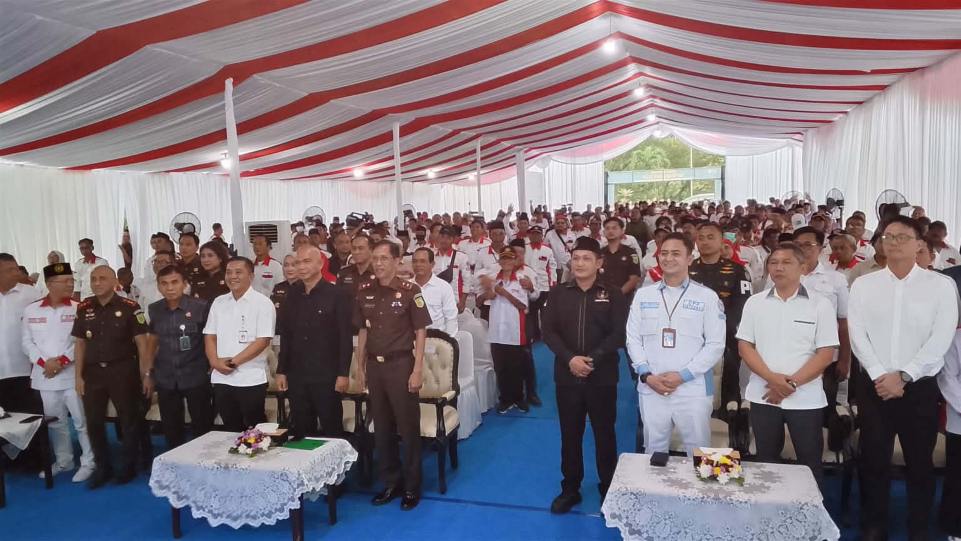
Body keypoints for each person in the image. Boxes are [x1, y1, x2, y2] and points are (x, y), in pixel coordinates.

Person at [848, 216, 958, 541]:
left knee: (919, 462)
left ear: (919, 244)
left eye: (902, 237)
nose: (894, 242)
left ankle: (918, 528)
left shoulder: (940, 285)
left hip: (919, 386)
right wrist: (882, 375)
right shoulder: (864, 285)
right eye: (888, 236)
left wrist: (906, 375)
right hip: (875, 385)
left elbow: (941, 338)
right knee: (874, 459)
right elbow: (857, 335)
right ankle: (874, 525)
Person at [737, 242, 838, 487]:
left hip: (805, 398)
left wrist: (791, 383)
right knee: (766, 461)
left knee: (809, 463)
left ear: (803, 267)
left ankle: (810, 518)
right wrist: (774, 380)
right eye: (774, 262)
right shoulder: (755, 303)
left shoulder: (820, 304)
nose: (778, 268)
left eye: (786, 262)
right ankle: (769, 514)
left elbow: (826, 353)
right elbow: (745, 347)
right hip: (765, 395)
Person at [542, 237, 627, 514]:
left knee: (604, 433)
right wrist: (570, 359)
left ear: (599, 263)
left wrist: (593, 358)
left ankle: (608, 487)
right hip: (567, 376)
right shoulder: (558, 293)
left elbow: (619, 332)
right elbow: (548, 332)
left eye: (586, 258)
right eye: (576, 258)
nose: (580, 263)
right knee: (570, 433)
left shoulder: (613, 293)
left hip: (602, 375)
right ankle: (570, 488)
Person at [626, 233, 725, 457]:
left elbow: (716, 345)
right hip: (652, 386)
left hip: (694, 388)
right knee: (654, 450)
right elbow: (632, 338)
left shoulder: (707, 297)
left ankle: (701, 493)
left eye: (676, 254)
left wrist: (683, 375)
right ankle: (654, 492)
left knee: (700, 453)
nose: (669, 258)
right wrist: (646, 374)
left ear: (690, 259)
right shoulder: (643, 295)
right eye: (664, 253)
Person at [354, 241, 431, 511]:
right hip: (375, 367)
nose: (378, 263)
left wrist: (418, 368)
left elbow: (421, 331)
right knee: (383, 429)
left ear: (398, 261)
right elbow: (364, 329)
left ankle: (412, 486)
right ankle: (390, 482)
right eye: (375, 258)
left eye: (384, 258)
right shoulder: (364, 291)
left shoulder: (411, 291)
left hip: (401, 365)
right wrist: (360, 365)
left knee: (408, 428)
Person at [71, 265, 151, 488]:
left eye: (102, 278)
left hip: (123, 370)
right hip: (93, 373)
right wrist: (78, 376)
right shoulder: (84, 307)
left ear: (114, 281)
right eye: (94, 279)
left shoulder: (130, 307)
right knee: (94, 422)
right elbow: (80, 343)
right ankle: (102, 468)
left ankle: (127, 467)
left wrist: (146, 374)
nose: (97, 283)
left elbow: (142, 343)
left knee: (129, 421)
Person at [21, 263, 95, 482]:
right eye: (65, 281)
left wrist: (62, 361)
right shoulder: (31, 310)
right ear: (50, 284)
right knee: (56, 422)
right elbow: (27, 342)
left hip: (73, 374)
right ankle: (64, 460)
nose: (71, 285)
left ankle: (89, 461)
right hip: (45, 376)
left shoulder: (78, 307)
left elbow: (82, 341)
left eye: (72, 281)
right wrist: (44, 362)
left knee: (82, 421)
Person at [276, 245, 353, 439]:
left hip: (326, 375)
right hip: (297, 375)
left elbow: (345, 338)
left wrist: (343, 374)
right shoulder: (292, 294)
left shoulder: (338, 295)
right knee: (302, 429)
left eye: (306, 261)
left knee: (331, 428)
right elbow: (287, 335)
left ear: (320, 264)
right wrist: (281, 370)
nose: (301, 267)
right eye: (297, 262)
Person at [689, 222, 752, 445]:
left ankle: (728, 436)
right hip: (693, 341)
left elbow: (742, 306)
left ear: (721, 241)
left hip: (726, 339)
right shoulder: (688, 270)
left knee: (728, 387)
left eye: (710, 237)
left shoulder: (737, 270)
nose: (705, 241)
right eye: (701, 237)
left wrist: (721, 332)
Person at [203, 257, 275, 433]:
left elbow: (262, 340)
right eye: (229, 272)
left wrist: (232, 362)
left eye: (238, 272)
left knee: (256, 430)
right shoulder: (219, 302)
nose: (232, 276)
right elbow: (210, 335)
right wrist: (215, 362)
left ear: (250, 276)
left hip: (250, 378)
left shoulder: (263, 303)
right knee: (230, 427)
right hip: (221, 377)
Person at [146, 265, 212, 449]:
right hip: (166, 377)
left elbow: (211, 340)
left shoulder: (201, 307)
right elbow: (152, 342)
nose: (170, 287)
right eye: (164, 283)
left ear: (184, 284)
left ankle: (203, 465)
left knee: (202, 427)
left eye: (175, 282)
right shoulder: (154, 310)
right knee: (171, 428)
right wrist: (147, 373)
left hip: (195, 375)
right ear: (158, 287)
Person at [478, 248, 531, 413]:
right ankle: (505, 399)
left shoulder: (521, 281)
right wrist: (488, 292)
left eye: (510, 259)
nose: (507, 262)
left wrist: (504, 293)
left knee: (516, 366)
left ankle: (519, 397)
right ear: (499, 261)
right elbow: (480, 301)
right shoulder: (492, 279)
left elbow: (523, 306)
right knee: (501, 367)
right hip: (496, 332)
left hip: (514, 330)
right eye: (504, 259)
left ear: (515, 261)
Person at [0, 253, 43, 414]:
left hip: (25, 369)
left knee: (31, 417)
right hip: (0, 370)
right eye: (10, 270)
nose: (16, 273)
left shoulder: (31, 294)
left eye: (16, 268)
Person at [411, 248, 458, 337]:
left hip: (437, 340)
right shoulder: (406, 287)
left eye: (422, 261)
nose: (418, 265)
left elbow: (451, 318)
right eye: (415, 261)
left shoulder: (444, 287)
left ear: (432, 264)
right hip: (410, 340)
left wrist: (448, 342)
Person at [599, 217, 642, 297]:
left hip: (624, 298)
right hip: (602, 298)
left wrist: (618, 294)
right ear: (604, 232)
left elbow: (634, 278)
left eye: (614, 228)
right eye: (607, 228)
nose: (610, 231)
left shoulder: (630, 253)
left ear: (622, 231)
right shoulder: (599, 253)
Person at [431, 226, 469, 312]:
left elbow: (467, 281)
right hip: (434, 300)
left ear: (453, 239)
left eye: (448, 238)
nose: (444, 240)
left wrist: (462, 301)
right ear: (438, 238)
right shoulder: (431, 256)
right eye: (442, 237)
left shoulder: (461, 257)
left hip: (454, 300)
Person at [132, 250, 175, 320]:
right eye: (155, 261)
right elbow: (140, 310)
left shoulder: (181, 286)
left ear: (171, 264)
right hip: (148, 328)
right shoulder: (146, 285)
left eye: (162, 261)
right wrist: (141, 326)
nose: (158, 264)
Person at [337, 233, 376, 298]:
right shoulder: (344, 273)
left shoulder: (379, 273)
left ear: (371, 250)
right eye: (354, 248)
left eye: (361, 248)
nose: (356, 252)